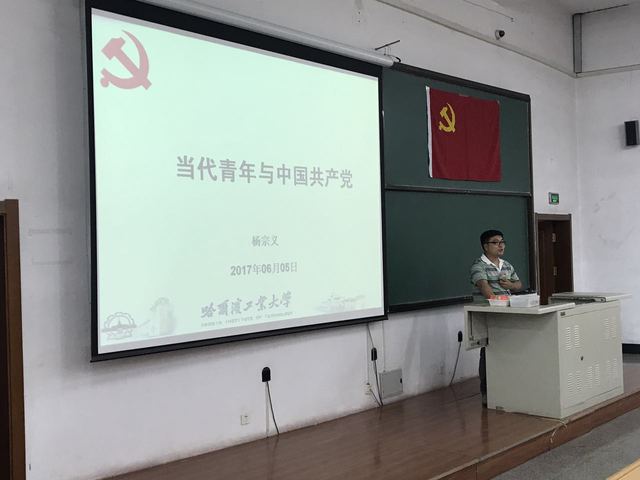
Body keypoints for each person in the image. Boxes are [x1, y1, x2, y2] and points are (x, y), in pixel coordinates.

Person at [469, 229, 523, 406]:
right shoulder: (478, 266)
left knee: (508, 350)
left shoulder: (506, 265)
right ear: (485, 246)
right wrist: (499, 301)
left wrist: (511, 286)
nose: (501, 246)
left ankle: (508, 387)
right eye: (495, 242)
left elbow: (519, 284)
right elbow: (485, 289)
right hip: (489, 315)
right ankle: (487, 392)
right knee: (488, 352)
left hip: (508, 313)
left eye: (502, 242)